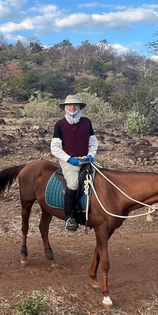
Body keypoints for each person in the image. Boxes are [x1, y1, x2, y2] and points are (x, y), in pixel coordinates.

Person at [50, 94, 98, 232]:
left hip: (85, 158)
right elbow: (55, 147)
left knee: (101, 177)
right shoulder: (60, 124)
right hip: (69, 160)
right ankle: (70, 217)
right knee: (73, 183)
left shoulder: (86, 122)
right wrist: (69, 159)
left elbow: (93, 142)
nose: (72, 107)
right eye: (69, 105)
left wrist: (90, 155)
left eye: (75, 105)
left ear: (79, 107)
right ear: (65, 107)